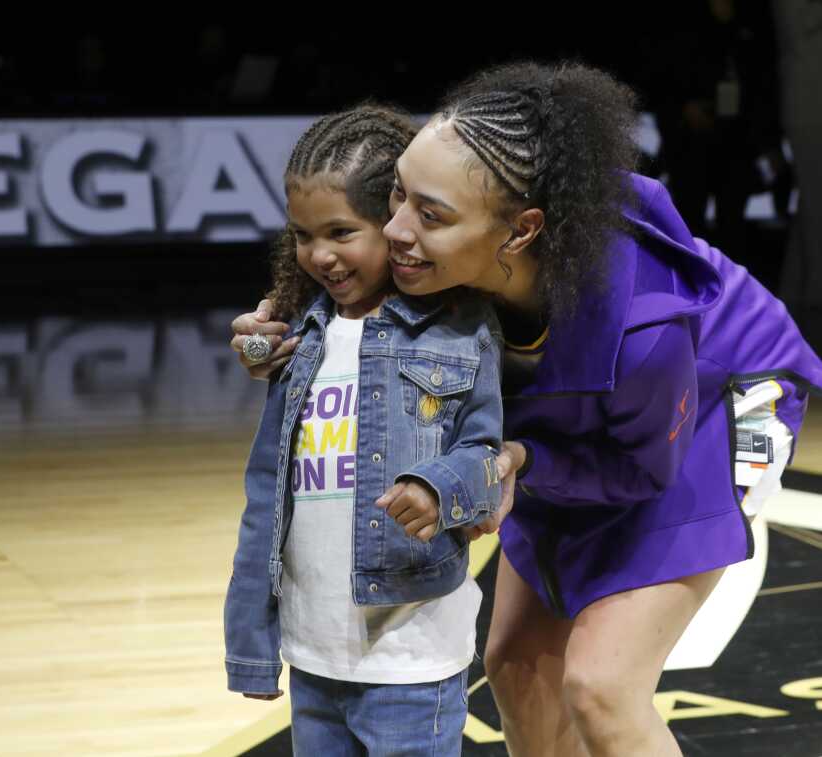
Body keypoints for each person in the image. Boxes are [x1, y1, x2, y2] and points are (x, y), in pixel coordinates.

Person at [231, 61, 822, 756]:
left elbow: (641, 472)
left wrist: (524, 457)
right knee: (514, 668)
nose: (393, 231)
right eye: (396, 197)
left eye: (429, 214)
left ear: (519, 231)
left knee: (602, 687)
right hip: (579, 425)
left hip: (729, 391)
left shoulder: (643, 329)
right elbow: (337, 281)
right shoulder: (435, 244)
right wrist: (281, 324)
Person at [223, 103, 505, 756]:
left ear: (399, 224)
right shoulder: (303, 337)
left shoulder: (460, 333)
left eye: (342, 232)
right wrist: (253, 641)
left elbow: (487, 456)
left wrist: (441, 488)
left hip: (411, 656)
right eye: (302, 235)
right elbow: (266, 495)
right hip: (315, 653)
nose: (319, 254)